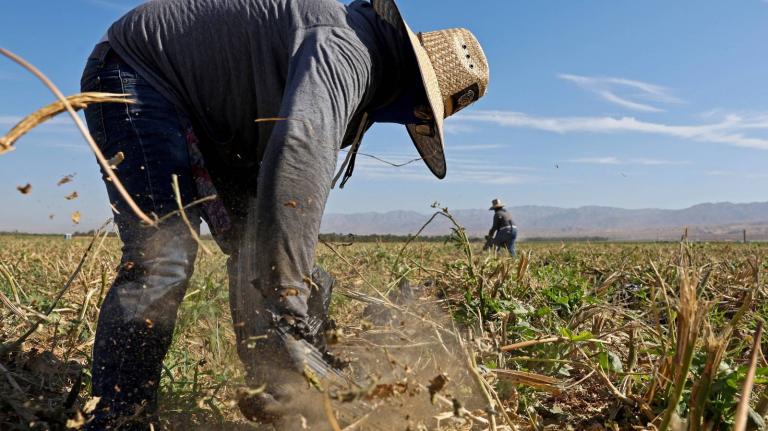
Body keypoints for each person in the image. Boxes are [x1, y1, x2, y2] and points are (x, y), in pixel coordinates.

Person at [79, 0, 489, 429]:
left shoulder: (352, 54)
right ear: (417, 93)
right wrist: (289, 304)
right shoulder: (346, 48)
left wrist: (288, 336)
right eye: (423, 110)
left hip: (205, 111)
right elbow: (299, 150)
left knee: (259, 250)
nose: (417, 117)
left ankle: (276, 385)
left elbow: (274, 203)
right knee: (162, 256)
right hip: (139, 73)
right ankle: (120, 415)